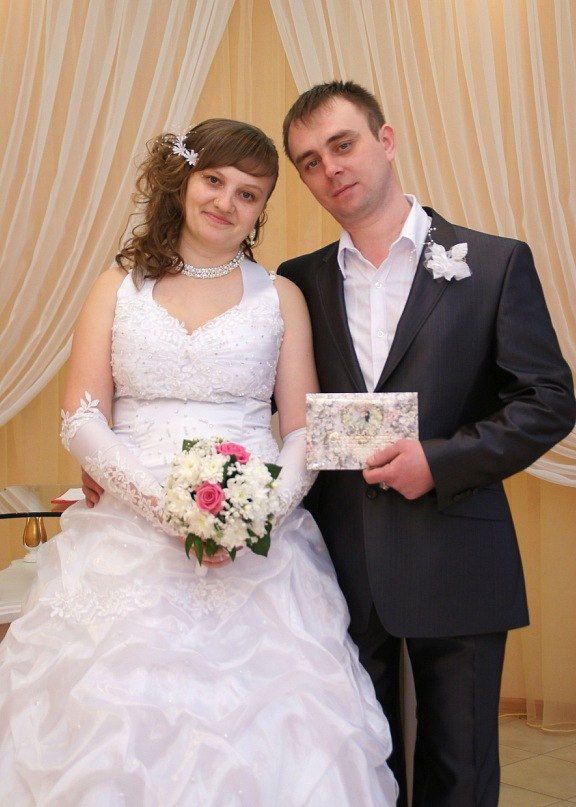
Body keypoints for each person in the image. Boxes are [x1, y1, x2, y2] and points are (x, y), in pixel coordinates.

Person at [0, 118, 398, 805]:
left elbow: (303, 432)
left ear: (261, 209)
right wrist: (172, 513)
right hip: (129, 533)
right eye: (214, 180)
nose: (225, 201)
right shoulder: (116, 287)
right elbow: (82, 418)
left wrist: (253, 517)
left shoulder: (281, 297)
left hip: (259, 548)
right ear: (183, 181)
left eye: (248, 193)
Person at [276, 81, 576, 807]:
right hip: (337, 566)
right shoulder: (297, 282)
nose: (330, 168)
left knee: (458, 773)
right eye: (310, 161)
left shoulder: (495, 262)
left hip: (457, 554)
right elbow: (273, 410)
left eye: (342, 144)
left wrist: (438, 462)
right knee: (358, 771)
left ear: (386, 140)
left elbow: (547, 400)